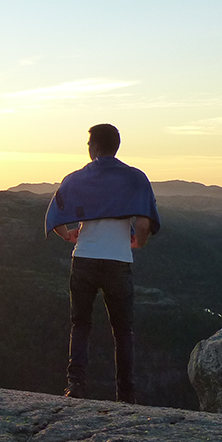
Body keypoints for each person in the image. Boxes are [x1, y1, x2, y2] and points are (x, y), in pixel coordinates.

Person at [44, 124, 160, 404]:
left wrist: (68, 235)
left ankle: (76, 385)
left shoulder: (76, 178)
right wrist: (139, 242)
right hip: (118, 260)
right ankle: (126, 395)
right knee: (123, 331)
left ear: (93, 147)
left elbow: (54, 216)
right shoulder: (135, 178)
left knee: (80, 324)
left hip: (84, 258)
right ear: (116, 146)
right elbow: (144, 223)